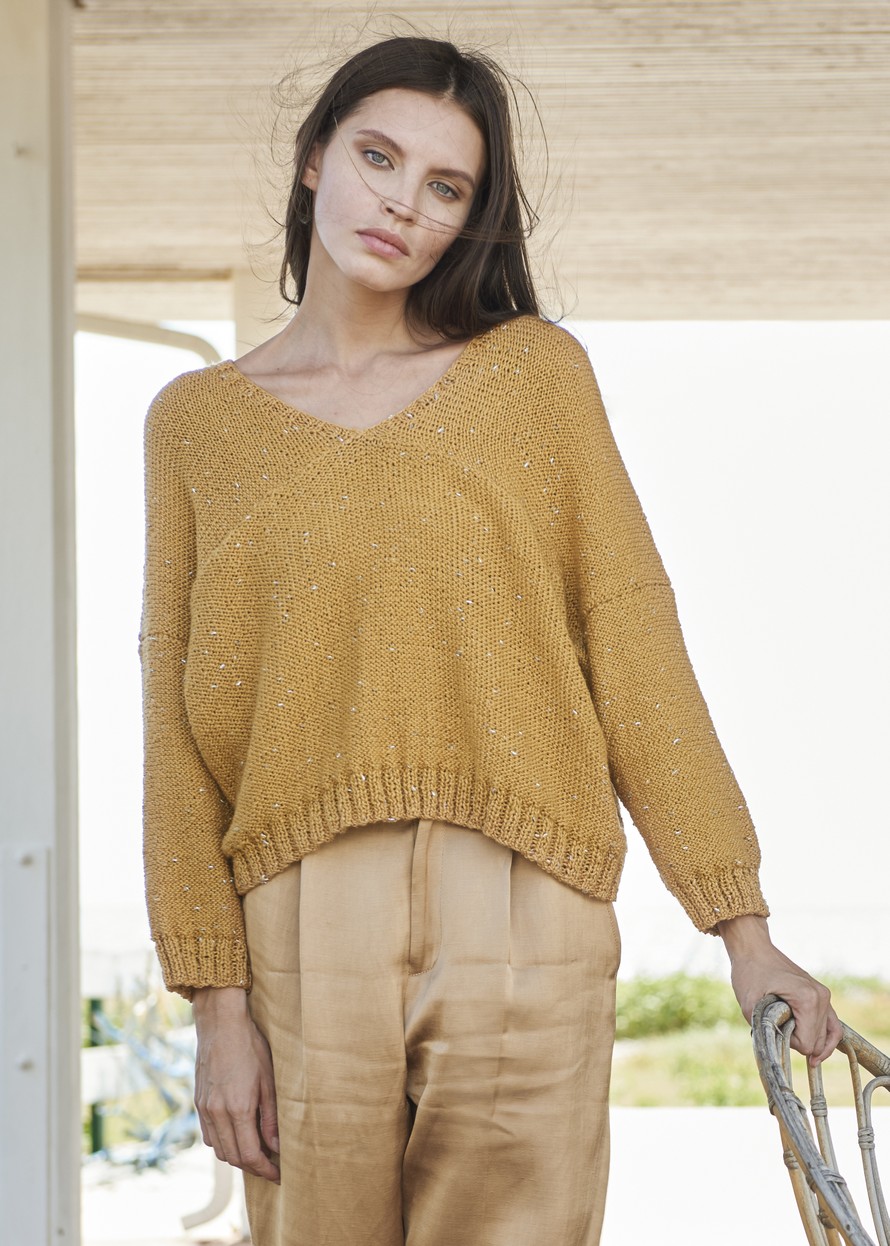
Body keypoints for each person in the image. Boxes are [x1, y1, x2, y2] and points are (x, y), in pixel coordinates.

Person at [139, 34, 842, 1246]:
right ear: (314, 160)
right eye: (377, 157)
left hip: (525, 899)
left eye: (445, 186)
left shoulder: (532, 378)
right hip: (294, 920)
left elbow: (630, 638)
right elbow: (172, 717)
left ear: (469, 219)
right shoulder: (195, 423)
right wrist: (215, 1003)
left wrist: (742, 928)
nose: (401, 204)